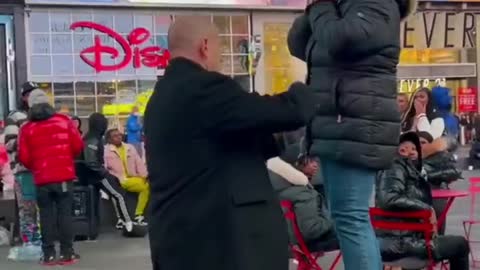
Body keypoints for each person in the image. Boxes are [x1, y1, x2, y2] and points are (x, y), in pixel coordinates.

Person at [144, 17, 316, 270]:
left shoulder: (162, 97)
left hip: (181, 239)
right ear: (205, 46)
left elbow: (223, 143)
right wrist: (305, 87)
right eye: (221, 48)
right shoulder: (203, 87)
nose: (222, 57)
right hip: (218, 244)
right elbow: (286, 111)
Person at [287, 1, 417, 268]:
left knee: (351, 216)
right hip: (339, 125)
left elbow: (339, 39)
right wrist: (315, 9)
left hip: (356, 125)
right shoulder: (340, 9)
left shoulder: (376, 4)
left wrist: (321, 6)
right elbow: (300, 45)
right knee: (346, 217)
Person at [375, 132, 469, 270]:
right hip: (402, 244)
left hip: (402, 240)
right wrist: (425, 208)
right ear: (396, 152)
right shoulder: (394, 168)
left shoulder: (412, 170)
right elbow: (388, 198)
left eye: (414, 149)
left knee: (452, 240)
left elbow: (451, 164)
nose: (410, 152)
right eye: (404, 149)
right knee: (460, 245)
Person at [18, 89, 83, 265]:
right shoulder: (64, 121)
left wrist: (37, 166)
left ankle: (48, 255)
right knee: (64, 214)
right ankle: (67, 254)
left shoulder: (27, 128)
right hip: (63, 177)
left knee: (46, 215)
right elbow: (77, 146)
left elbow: (23, 157)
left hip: (42, 179)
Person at [76, 113, 135, 231]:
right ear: (100, 125)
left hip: (89, 175)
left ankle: (95, 226)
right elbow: (91, 162)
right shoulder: (93, 139)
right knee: (118, 195)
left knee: (95, 201)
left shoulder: (90, 137)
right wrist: (105, 173)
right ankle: (128, 223)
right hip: (97, 175)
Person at [4, 83, 42, 252]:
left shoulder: (43, 115)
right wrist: (29, 139)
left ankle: (41, 240)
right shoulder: (15, 116)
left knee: (41, 207)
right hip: (23, 169)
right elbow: (9, 144)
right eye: (31, 94)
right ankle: (30, 242)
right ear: (24, 97)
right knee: (27, 208)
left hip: (42, 168)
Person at [268, 156, 335, 246]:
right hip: (307, 242)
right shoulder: (303, 193)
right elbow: (312, 230)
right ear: (296, 164)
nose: (316, 165)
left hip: (287, 244)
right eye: (310, 161)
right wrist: (334, 220)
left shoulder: (279, 190)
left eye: (316, 161)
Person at [418, 131, 461, 235]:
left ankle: (438, 239)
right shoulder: (409, 158)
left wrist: (428, 174)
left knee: (438, 206)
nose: (420, 145)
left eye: (423, 142)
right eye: (417, 142)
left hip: (436, 199)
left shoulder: (438, 159)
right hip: (418, 202)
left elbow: (454, 172)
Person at [104, 128, 149, 225]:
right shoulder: (106, 151)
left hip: (132, 177)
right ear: (109, 139)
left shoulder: (129, 147)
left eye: (119, 134)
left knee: (146, 186)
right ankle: (123, 218)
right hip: (118, 179)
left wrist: (144, 175)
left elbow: (139, 163)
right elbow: (104, 167)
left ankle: (138, 215)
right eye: (115, 136)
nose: (119, 137)